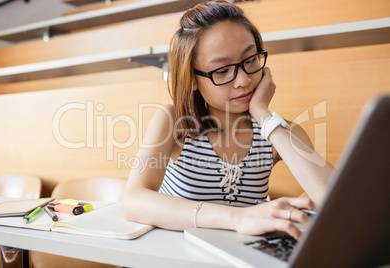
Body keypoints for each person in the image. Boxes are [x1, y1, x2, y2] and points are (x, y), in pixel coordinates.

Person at [123, 0, 334, 239]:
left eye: (250, 60)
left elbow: (336, 198)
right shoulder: (174, 121)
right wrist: (237, 218)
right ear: (192, 79)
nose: (243, 80)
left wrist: (263, 113)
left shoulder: (280, 132)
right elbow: (134, 201)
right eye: (222, 71)